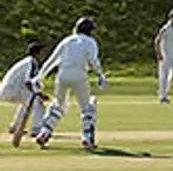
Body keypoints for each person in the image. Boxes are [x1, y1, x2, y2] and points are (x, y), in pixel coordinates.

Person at [36, 17, 108, 151]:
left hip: (62, 75)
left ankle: (44, 132)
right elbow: (93, 60)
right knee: (87, 107)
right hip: (79, 75)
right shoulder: (90, 42)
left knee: (58, 105)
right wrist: (100, 75)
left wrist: (40, 76)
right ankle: (87, 138)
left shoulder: (67, 40)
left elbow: (52, 60)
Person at [3, 45, 45, 147]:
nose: (43, 55)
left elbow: (32, 82)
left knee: (26, 102)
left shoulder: (30, 62)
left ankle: (15, 126)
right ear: (36, 53)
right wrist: (39, 94)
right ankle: (36, 129)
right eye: (41, 52)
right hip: (12, 90)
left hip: (10, 89)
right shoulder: (30, 63)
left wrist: (39, 93)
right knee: (37, 102)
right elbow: (28, 82)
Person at [155, 10, 173, 104]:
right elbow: (157, 40)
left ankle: (164, 92)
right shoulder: (165, 28)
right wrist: (159, 53)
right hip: (164, 54)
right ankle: (163, 96)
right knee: (163, 76)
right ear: (170, 18)